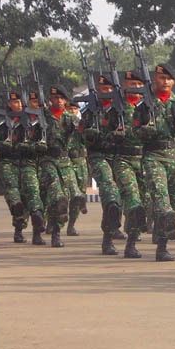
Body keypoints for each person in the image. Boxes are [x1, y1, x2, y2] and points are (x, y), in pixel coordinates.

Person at [132, 62, 175, 261]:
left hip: (174, 153)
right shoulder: (143, 105)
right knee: (161, 198)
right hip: (153, 154)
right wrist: (144, 131)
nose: (165, 81)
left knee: (174, 199)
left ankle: (162, 240)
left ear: (173, 82)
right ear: (154, 79)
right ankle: (160, 247)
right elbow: (134, 130)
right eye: (161, 78)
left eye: (169, 79)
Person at [80, 73, 126, 255]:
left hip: (121, 156)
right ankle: (107, 240)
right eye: (102, 89)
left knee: (120, 195)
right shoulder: (91, 110)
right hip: (99, 155)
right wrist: (89, 134)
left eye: (108, 89)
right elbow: (81, 134)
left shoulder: (120, 108)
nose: (105, 92)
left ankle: (114, 226)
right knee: (110, 190)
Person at [39, 84, 87, 247]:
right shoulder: (42, 116)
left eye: (61, 98)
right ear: (50, 99)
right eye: (55, 98)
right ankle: (55, 234)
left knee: (68, 197)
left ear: (65, 101)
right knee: (57, 196)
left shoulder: (70, 118)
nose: (58, 101)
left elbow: (82, 133)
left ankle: (58, 227)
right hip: (48, 161)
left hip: (65, 161)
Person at [112, 70, 152, 258]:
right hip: (123, 159)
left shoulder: (147, 107)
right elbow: (98, 134)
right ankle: (108, 237)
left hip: (143, 159)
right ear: (124, 86)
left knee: (141, 202)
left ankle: (131, 243)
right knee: (132, 198)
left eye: (138, 85)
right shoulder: (114, 108)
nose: (135, 88)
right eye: (131, 85)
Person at [0, 90, 31, 243]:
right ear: (9, 103)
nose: (18, 104)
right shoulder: (1, 121)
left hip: (26, 162)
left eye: (21, 101)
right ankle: (18, 225)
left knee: (26, 198)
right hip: (7, 161)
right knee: (14, 195)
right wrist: (4, 145)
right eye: (15, 102)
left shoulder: (30, 119)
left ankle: (19, 229)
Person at [65, 101, 89, 237]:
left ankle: (71, 225)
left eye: (75, 109)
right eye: (70, 108)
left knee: (79, 193)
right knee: (63, 194)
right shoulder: (61, 123)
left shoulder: (80, 124)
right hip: (65, 161)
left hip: (80, 161)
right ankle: (53, 222)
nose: (72, 111)